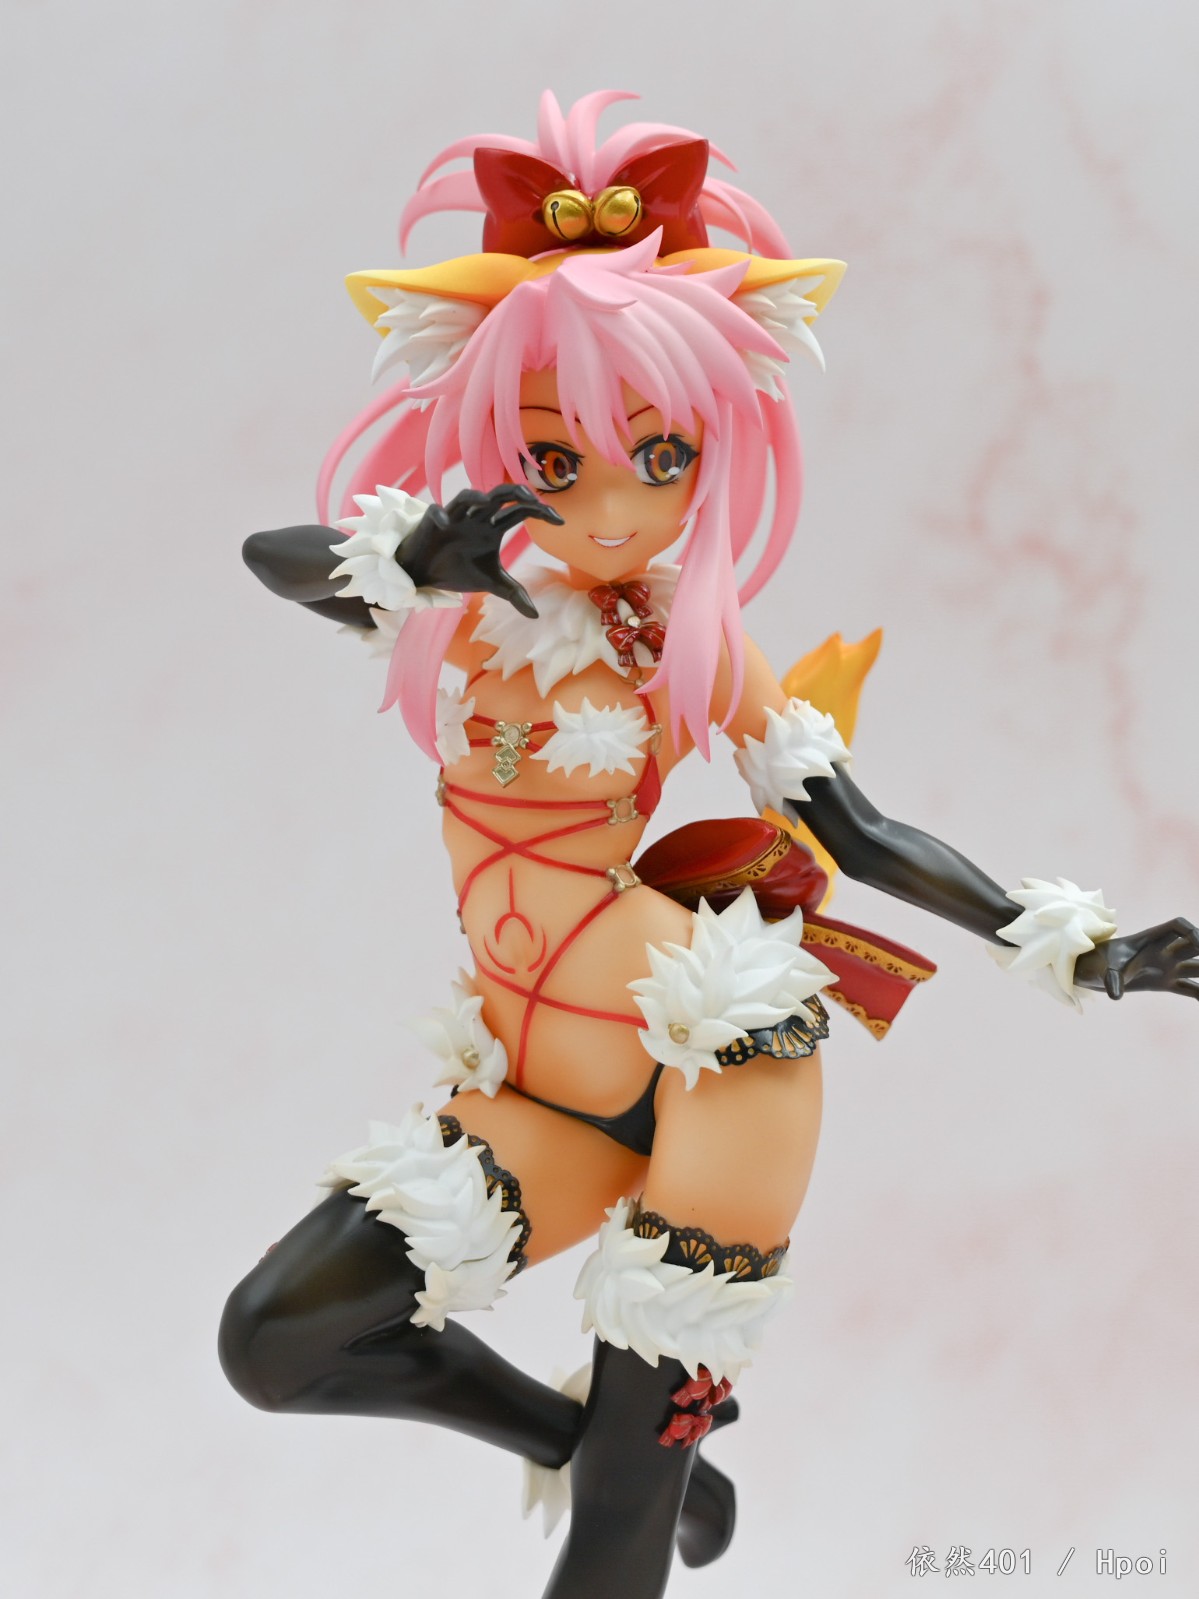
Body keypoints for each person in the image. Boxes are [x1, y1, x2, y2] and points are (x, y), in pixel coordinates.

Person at [218, 91, 1198, 1599]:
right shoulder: (461, 601)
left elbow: (858, 829)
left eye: (662, 455)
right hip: (537, 1080)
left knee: (619, 1522)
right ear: (493, 450)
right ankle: (608, 1450)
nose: (617, 507)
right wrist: (413, 553)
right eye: (560, 463)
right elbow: (278, 559)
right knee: (278, 1339)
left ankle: (635, 1472)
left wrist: (1087, 946)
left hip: (717, 1058)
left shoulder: (689, 640)